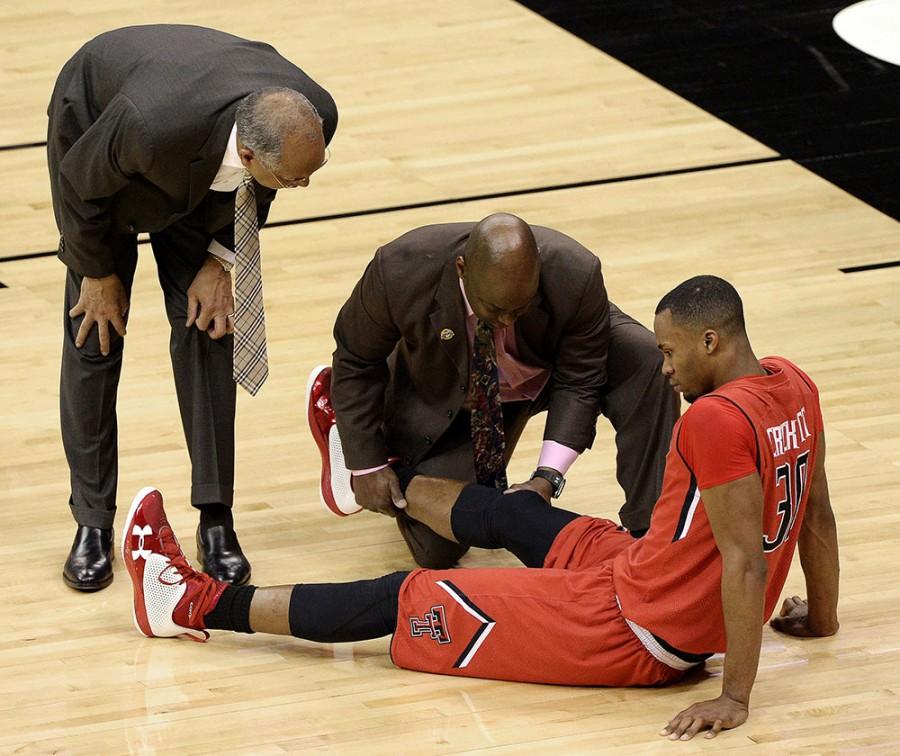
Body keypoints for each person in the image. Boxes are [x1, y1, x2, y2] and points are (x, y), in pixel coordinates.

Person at [123, 275, 840, 739]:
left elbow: (745, 564)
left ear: (712, 342)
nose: (662, 368)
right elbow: (818, 516)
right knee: (515, 515)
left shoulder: (714, 420)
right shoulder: (793, 385)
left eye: (670, 353)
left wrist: (736, 697)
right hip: (652, 572)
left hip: (638, 627)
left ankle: (187, 602)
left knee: (410, 594)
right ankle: (363, 475)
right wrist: (824, 616)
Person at [48, 25, 338, 591]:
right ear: (250, 152)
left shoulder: (311, 117)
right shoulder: (146, 123)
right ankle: (91, 522)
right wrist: (97, 272)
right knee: (95, 332)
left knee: (210, 327)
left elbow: (267, 183)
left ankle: (216, 520)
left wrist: (221, 258)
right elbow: (80, 184)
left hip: (205, 176)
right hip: (105, 153)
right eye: (296, 178)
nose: (303, 185)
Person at [307, 213, 679, 568]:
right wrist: (366, 464)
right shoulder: (401, 267)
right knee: (436, 550)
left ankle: (653, 536)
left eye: (519, 308)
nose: (505, 321)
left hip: (542, 371)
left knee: (645, 361)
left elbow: (580, 380)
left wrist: (545, 478)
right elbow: (356, 357)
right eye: (494, 309)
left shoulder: (575, 274)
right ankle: (347, 421)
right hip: (453, 389)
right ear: (462, 271)